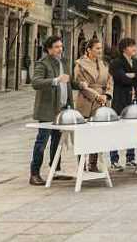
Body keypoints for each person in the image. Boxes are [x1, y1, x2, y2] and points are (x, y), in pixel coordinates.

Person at [29, 36, 87, 186]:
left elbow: (68, 81)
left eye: (61, 46)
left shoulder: (64, 62)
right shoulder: (43, 64)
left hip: (63, 109)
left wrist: (79, 85)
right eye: (56, 47)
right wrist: (55, 80)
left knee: (57, 141)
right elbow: (35, 82)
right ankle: (34, 173)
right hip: (48, 109)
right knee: (42, 141)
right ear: (48, 49)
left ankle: (55, 170)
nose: (60, 49)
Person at [109, 38, 137, 170]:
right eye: (131, 46)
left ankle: (130, 157)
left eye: (134, 45)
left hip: (135, 100)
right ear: (124, 48)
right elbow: (122, 79)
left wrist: (133, 75)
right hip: (121, 100)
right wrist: (135, 75)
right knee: (116, 130)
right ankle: (114, 159)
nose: (135, 48)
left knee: (133, 129)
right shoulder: (116, 63)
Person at [75, 38, 113, 172]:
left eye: (100, 48)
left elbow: (109, 81)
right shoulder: (80, 64)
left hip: (102, 101)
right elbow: (81, 84)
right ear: (89, 50)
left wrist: (106, 95)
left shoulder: (103, 64)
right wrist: (96, 96)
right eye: (97, 48)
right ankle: (81, 164)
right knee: (83, 134)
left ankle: (93, 163)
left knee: (97, 133)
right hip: (87, 100)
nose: (100, 51)